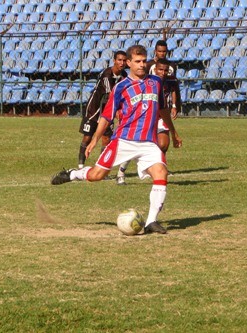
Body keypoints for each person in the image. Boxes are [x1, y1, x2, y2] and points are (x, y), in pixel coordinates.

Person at [51, 45, 183, 235]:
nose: (142, 65)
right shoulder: (121, 87)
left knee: (161, 173)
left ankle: (151, 221)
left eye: (144, 60)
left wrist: (173, 133)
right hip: (124, 140)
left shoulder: (156, 82)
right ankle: (72, 174)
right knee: (97, 176)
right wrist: (95, 140)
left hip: (148, 142)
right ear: (128, 63)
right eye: (137, 61)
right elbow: (106, 117)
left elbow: (162, 110)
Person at [116, 40, 181, 185]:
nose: (163, 72)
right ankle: (121, 171)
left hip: (160, 115)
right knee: (134, 145)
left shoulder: (169, 76)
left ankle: (156, 167)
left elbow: (173, 90)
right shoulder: (147, 72)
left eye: (165, 70)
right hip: (144, 115)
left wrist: (175, 106)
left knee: (163, 144)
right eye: (160, 70)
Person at [77, 50, 128, 169]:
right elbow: (111, 94)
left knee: (106, 138)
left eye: (124, 60)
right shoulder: (107, 74)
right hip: (94, 108)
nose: (122, 63)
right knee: (87, 137)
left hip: (108, 109)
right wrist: (117, 110)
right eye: (119, 60)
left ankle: (100, 167)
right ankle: (80, 165)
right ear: (114, 61)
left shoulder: (124, 76)